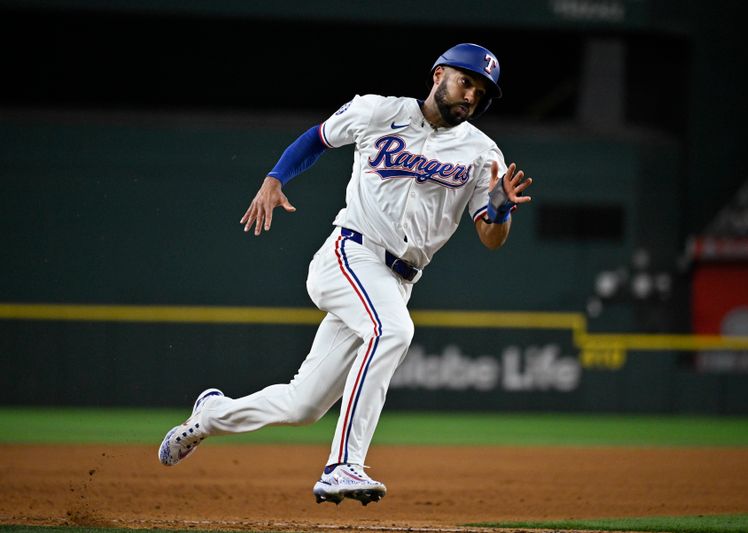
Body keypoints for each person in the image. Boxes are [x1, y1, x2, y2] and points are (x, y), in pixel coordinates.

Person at [158, 43, 532, 506]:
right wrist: (276, 178)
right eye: (466, 81)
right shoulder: (377, 111)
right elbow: (317, 138)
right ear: (438, 75)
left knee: (303, 406)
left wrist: (498, 209)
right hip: (350, 254)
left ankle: (211, 416)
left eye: (481, 91)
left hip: (398, 280)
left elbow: (491, 237)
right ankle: (342, 466)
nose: (471, 95)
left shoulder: (482, 153)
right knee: (393, 331)